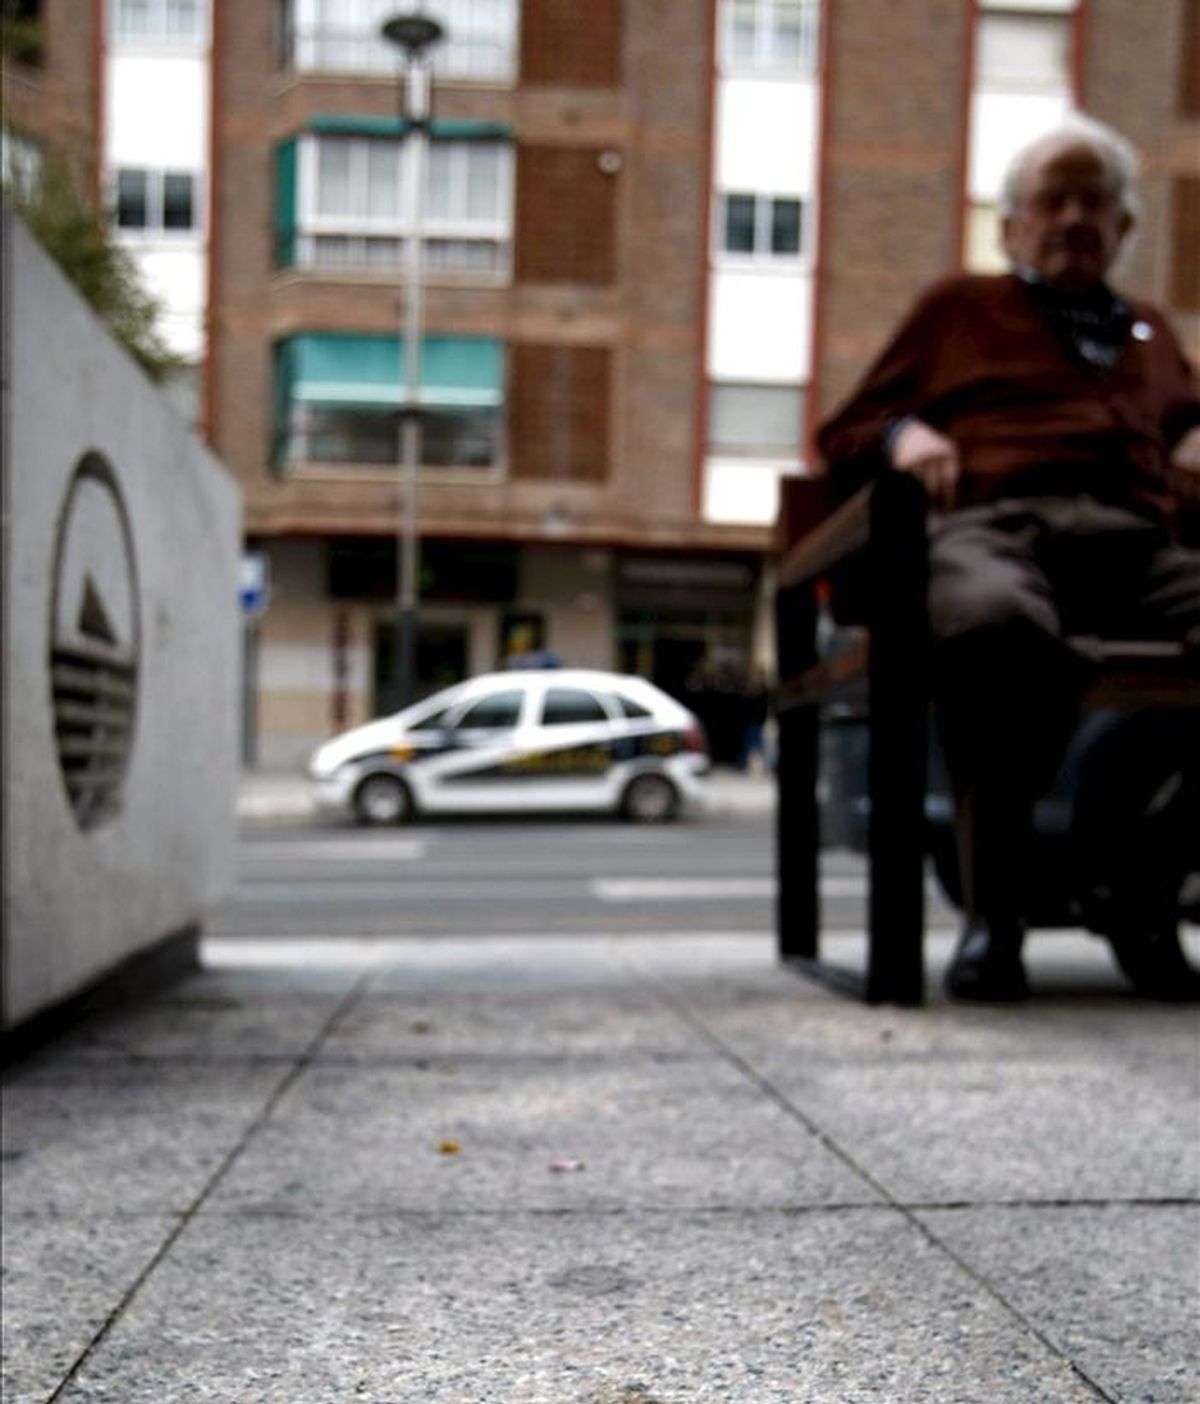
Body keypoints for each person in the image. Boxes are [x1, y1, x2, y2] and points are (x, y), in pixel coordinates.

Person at [816, 113, 1200, 1002]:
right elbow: (845, 430)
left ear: (1125, 228)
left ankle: (1144, 878)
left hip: (1134, 542)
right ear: (1011, 223)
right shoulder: (961, 307)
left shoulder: (1149, 333)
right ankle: (998, 911)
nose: (1072, 218)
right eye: (1051, 200)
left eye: (1093, 202)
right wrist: (906, 434)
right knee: (993, 628)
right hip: (994, 526)